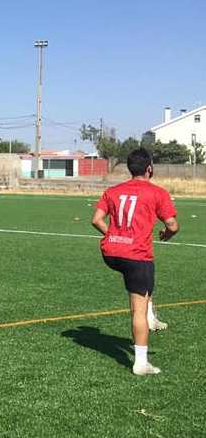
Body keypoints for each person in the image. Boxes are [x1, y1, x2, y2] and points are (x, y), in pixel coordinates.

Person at [91, 148, 179, 376]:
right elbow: (172, 225)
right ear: (150, 168)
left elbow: (96, 220)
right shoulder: (157, 193)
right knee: (137, 307)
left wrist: (113, 235)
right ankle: (141, 362)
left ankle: (150, 313)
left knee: (145, 276)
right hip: (135, 256)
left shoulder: (113, 191)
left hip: (111, 253)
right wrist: (167, 235)